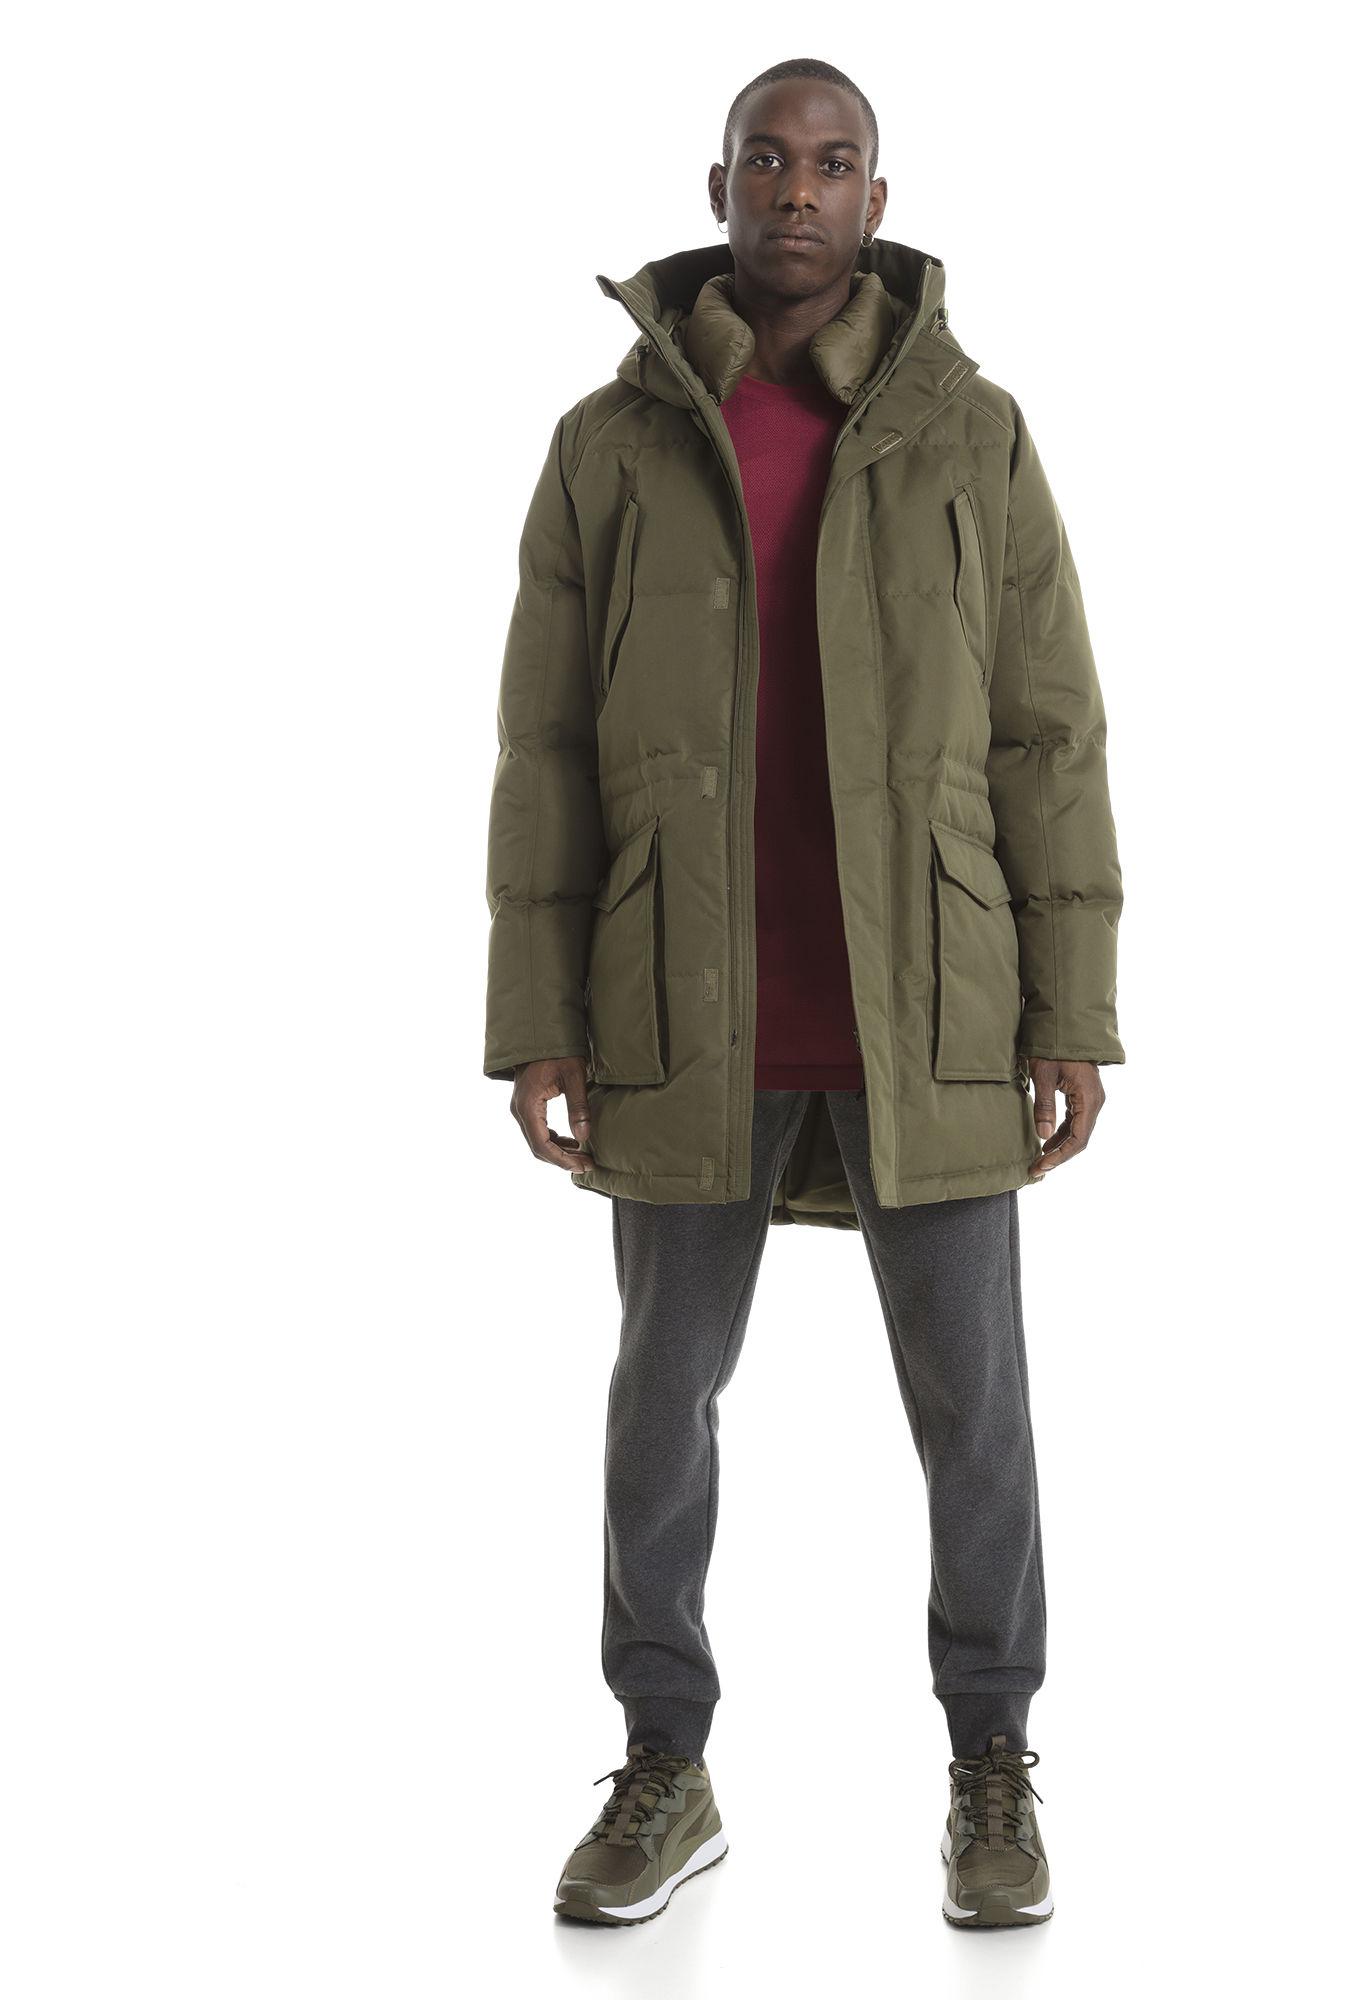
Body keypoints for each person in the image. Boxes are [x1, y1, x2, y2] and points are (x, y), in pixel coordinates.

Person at [482, 57, 1124, 1932]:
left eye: (833, 164)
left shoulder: (972, 434)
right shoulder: (607, 446)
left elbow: (1049, 733)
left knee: (976, 1412)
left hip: (932, 1004)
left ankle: (991, 1763)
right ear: (719, 185)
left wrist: (1070, 1009)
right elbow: (546, 748)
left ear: (875, 198)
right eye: (767, 159)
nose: (796, 190)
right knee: (660, 1404)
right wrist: (540, 1012)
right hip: (683, 1006)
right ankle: (663, 1764)